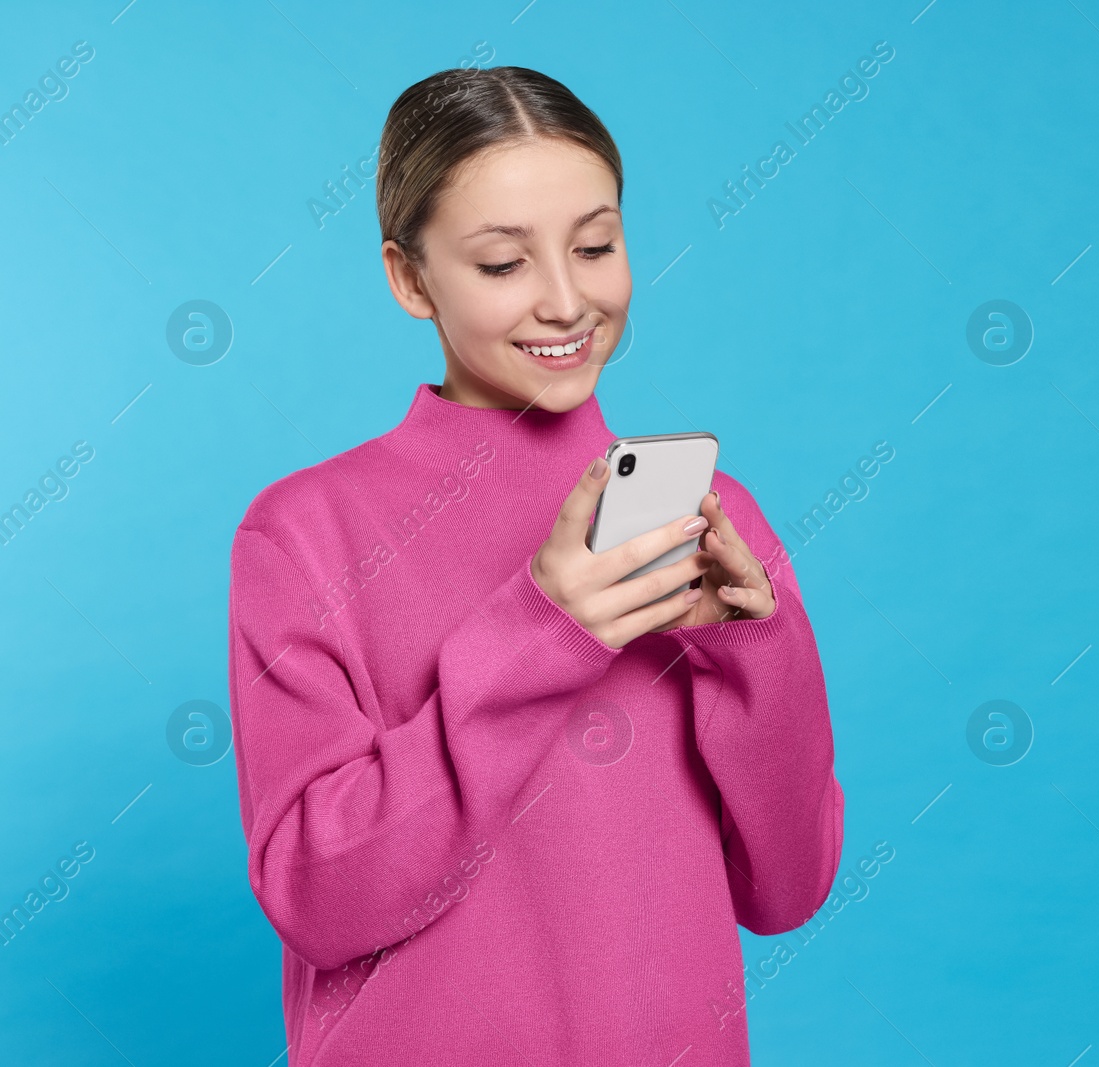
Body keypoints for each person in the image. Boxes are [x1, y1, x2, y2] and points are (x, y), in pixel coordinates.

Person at [226, 65, 844, 1066]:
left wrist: (757, 653)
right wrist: (545, 628)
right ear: (410, 277)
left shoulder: (709, 521)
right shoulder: (303, 532)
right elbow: (318, 898)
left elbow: (788, 888)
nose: (566, 301)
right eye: (503, 264)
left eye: (596, 246)